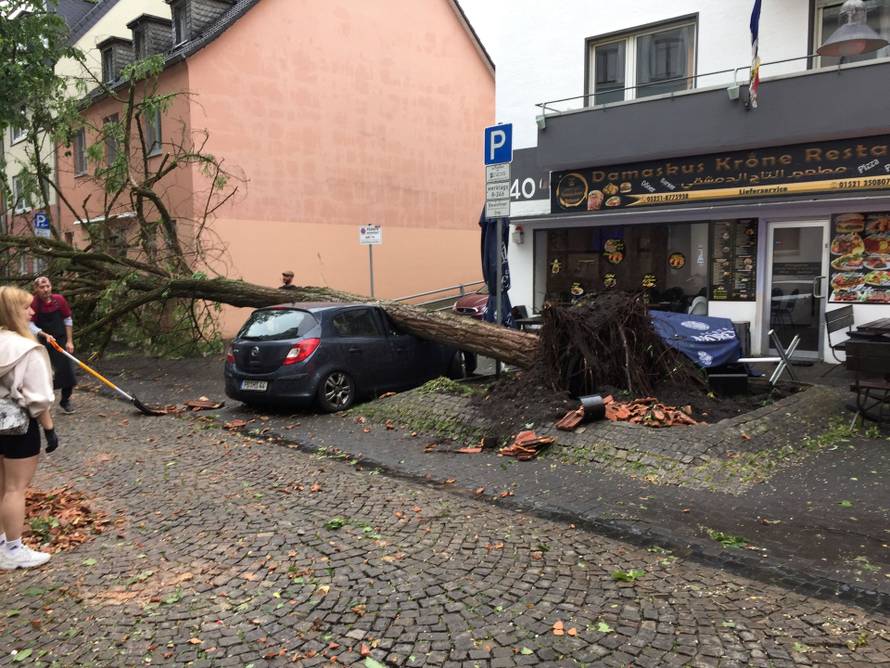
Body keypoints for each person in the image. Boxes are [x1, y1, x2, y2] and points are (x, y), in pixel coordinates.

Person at [0, 286, 57, 570]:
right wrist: (49, 428)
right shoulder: (27, 349)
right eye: (26, 307)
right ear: (13, 312)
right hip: (18, 427)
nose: (32, 312)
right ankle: (12, 549)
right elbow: (40, 397)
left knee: (1, 485)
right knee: (15, 488)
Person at [30, 277, 76, 414]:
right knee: (45, 375)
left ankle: (65, 401)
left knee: (68, 372)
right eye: (42, 287)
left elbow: (68, 319)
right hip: (42, 343)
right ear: (36, 289)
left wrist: (69, 341)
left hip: (61, 341)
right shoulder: (34, 303)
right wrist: (44, 335)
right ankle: (43, 404)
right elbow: (29, 324)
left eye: (48, 286)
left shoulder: (59, 300)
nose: (45, 290)